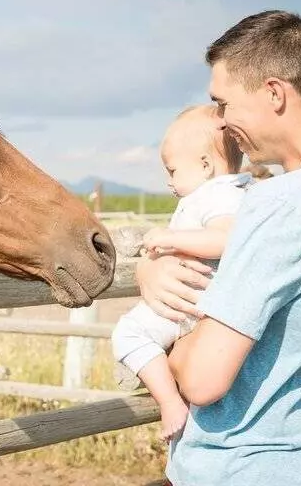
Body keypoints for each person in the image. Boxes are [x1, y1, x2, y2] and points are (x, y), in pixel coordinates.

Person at [136, 10, 301, 485]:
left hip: (240, 468)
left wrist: (167, 322)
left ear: (274, 92)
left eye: (223, 103)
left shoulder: (283, 204)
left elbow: (204, 380)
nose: (223, 124)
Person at [111, 104, 250, 441]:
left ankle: (170, 401)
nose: (168, 180)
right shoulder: (224, 194)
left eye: (172, 170)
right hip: (192, 297)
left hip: (191, 298)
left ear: (204, 165)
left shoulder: (220, 195)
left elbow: (225, 238)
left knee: (128, 334)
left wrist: (172, 238)